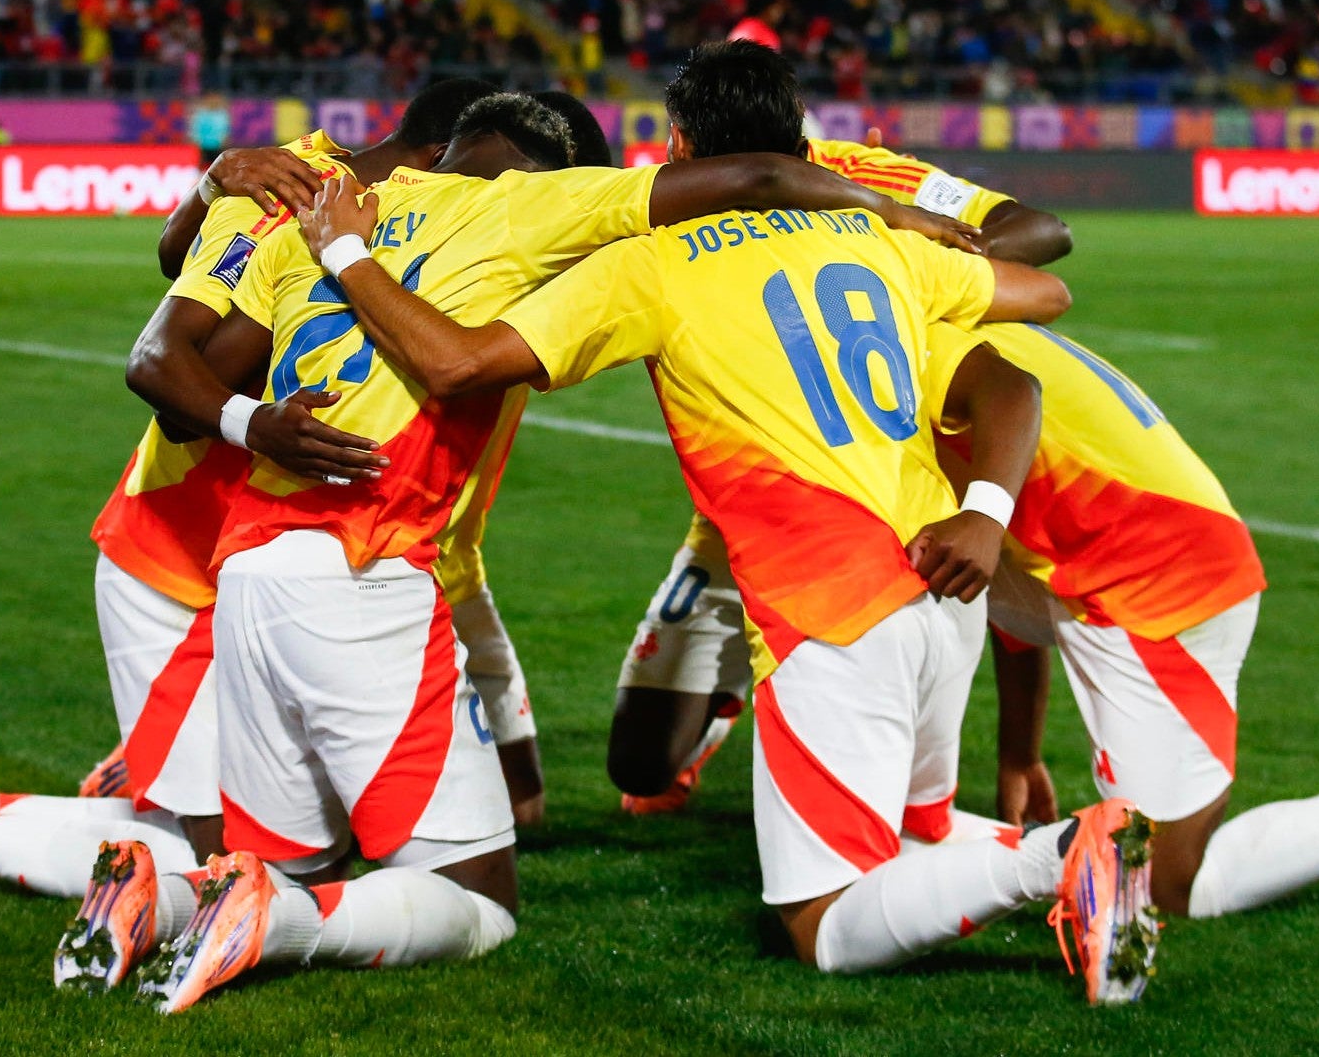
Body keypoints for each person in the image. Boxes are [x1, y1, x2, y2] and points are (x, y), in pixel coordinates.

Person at [90, 92, 989, 1013]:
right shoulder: (524, 206)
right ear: (525, 160)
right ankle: (262, 918)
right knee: (480, 903)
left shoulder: (320, 211)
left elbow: (183, 374)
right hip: (368, 574)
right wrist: (889, 211)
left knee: (293, 859)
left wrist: (257, 419)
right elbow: (755, 177)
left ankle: (164, 900)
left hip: (244, 578)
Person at [306, 149, 1163, 1002]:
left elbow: (459, 360)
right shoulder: (874, 236)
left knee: (824, 926)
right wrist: (918, 265)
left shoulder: (655, 258)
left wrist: (346, 254)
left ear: (679, 142)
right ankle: (1070, 853)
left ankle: (1064, 856)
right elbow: (1045, 292)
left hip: (825, 600)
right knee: (900, 827)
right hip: (938, 577)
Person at [0, 83, 499, 955]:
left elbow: (177, 260)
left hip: (258, 565)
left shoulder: (357, 214)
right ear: (436, 162)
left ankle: (144, 784)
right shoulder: (296, 193)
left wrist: (208, 189)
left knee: (298, 858)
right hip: (174, 557)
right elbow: (170, 368)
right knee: (222, 867)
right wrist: (215, 194)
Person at [940, 323, 1319, 920]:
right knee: (926, 552)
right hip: (1125, 556)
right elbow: (998, 558)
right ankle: (905, 813)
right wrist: (1018, 753)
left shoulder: (933, 357)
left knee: (1164, 884)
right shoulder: (968, 333)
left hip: (1160, 581)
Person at [610, 40, 1070, 814]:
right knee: (640, 765)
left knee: (883, 831)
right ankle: (730, 707)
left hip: (878, 499)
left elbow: (1043, 235)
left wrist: (903, 266)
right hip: (741, 513)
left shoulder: (862, 176)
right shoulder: (657, 199)